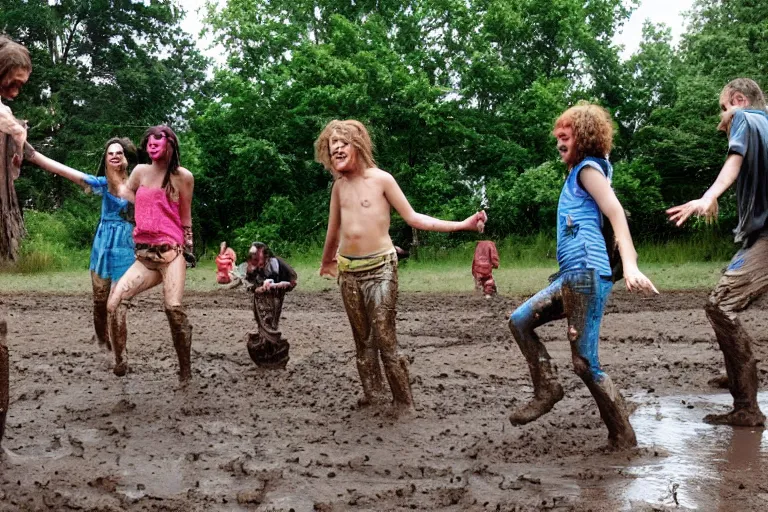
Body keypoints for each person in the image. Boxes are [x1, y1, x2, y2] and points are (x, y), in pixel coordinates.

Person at [507, 103, 657, 449]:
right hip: (571, 276)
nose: (559, 142)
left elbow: (616, 213)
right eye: (557, 136)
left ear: (585, 138)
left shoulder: (589, 169)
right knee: (519, 321)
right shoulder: (580, 172)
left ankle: (623, 436)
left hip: (587, 276)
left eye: (566, 135)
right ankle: (547, 388)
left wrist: (630, 264)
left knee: (586, 362)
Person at [315, 119, 487, 415]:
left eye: (342, 144)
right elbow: (333, 230)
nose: (337, 150)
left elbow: (414, 218)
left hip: (381, 269)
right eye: (332, 148)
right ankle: (374, 395)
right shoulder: (338, 187)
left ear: (357, 146)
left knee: (384, 335)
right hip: (349, 273)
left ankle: (403, 401)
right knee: (362, 341)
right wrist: (327, 260)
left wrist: (463, 224)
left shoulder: (381, 179)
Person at [666, 78, 768, 427]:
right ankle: (738, 370)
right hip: (759, 237)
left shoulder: (746, 119)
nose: (722, 120)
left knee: (720, 305)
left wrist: (709, 196)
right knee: (729, 303)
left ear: (739, 100)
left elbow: (734, 161)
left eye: (723, 109)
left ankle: (746, 407)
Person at [25, 138, 138, 351]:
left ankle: (119, 350)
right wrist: (29, 151)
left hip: (126, 244)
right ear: (105, 160)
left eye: (119, 153)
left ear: (126, 158)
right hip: (103, 245)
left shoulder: (138, 183)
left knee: (118, 300)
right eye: (110, 153)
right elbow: (63, 170)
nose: (114, 155)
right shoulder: (103, 184)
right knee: (99, 299)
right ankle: (102, 340)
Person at [106, 125, 196, 384]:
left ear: (171, 144)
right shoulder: (140, 172)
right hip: (144, 256)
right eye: (149, 142)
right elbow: (127, 193)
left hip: (171, 254)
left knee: (173, 308)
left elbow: (185, 214)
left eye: (158, 141)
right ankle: (121, 361)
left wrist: (189, 247)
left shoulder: (183, 177)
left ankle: (185, 370)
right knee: (114, 304)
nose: (152, 146)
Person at [0, 34, 31, 452]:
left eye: (22, 83)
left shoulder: (7, 118)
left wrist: (90, 180)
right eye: (13, 80)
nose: (17, 89)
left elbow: (33, 155)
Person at [241, 242, 297, 368]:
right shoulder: (252, 267)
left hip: (275, 298)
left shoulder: (278, 265)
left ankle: (275, 355)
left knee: (271, 325)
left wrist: (278, 285)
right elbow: (249, 283)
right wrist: (257, 288)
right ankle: (264, 352)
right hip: (260, 301)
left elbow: (292, 282)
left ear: (266, 256)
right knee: (262, 325)